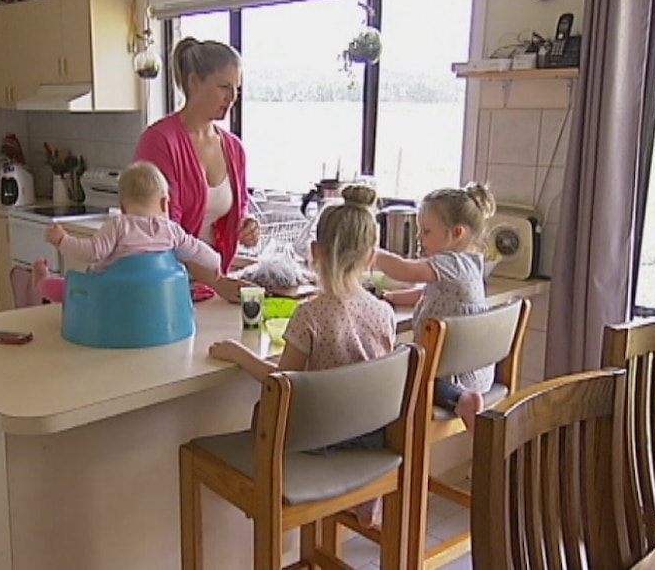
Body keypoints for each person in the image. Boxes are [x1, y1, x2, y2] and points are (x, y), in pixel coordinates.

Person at [208, 185, 397, 529]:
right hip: (369, 438)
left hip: (315, 443)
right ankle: (368, 496)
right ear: (371, 258)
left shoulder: (310, 315)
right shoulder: (384, 312)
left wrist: (237, 353)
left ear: (315, 252)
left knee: (263, 411)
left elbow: (280, 381)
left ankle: (266, 500)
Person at [135, 37, 260, 303]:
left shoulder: (234, 148)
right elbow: (163, 230)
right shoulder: (159, 142)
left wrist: (246, 225)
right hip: (167, 286)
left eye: (236, 88)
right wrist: (216, 281)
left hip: (212, 287)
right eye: (224, 87)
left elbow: (238, 208)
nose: (233, 97)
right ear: (194, 82)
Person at [375, 182, 496, 432]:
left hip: (456, 380)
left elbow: (405, 271)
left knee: (402, 366)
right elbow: (425, 293)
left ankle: (460, 401)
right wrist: (390, 297)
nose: (419, 238)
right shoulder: (470, 265)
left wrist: (368, 253)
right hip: (476, 372)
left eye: (427, 231)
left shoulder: (451, 261)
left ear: (457, 233)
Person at [31, 161, 222, 303]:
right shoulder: (172, 231)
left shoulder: (118, 225)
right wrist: (217, 262)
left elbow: (91, 252)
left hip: (108, 293)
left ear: (122, 207)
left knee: (71, 287)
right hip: (152, 298)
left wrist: (62, 240)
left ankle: (43, 283)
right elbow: (198, 250)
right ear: (165, 203)